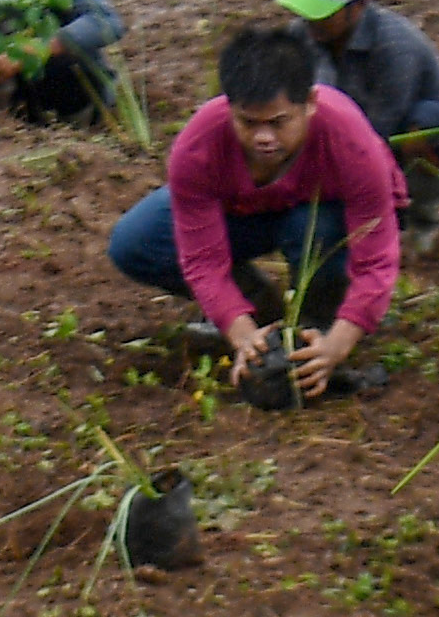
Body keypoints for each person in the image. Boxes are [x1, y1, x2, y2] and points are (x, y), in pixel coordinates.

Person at [107, 23, 402, 406]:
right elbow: (202, 258)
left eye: (279, 123)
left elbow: (376, 257)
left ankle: (314, 329)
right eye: (249, 122)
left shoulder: (352, 144)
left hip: (319, 217)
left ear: (310, 103)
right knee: (135, 242)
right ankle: (263, 315)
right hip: (243, 213)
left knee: (316, 229)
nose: (264, 137)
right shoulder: (198, 147)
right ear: (229, 106)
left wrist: (340, 342)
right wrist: (240, 330)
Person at [279, 0, 439, 235]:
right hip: (357, 140)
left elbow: (379, 131)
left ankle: (419, 219)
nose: (312, 19)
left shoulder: (395, 45)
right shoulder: (300, 36)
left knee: (425, 122)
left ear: (358, 7)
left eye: (324, 11)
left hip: (417, 143)